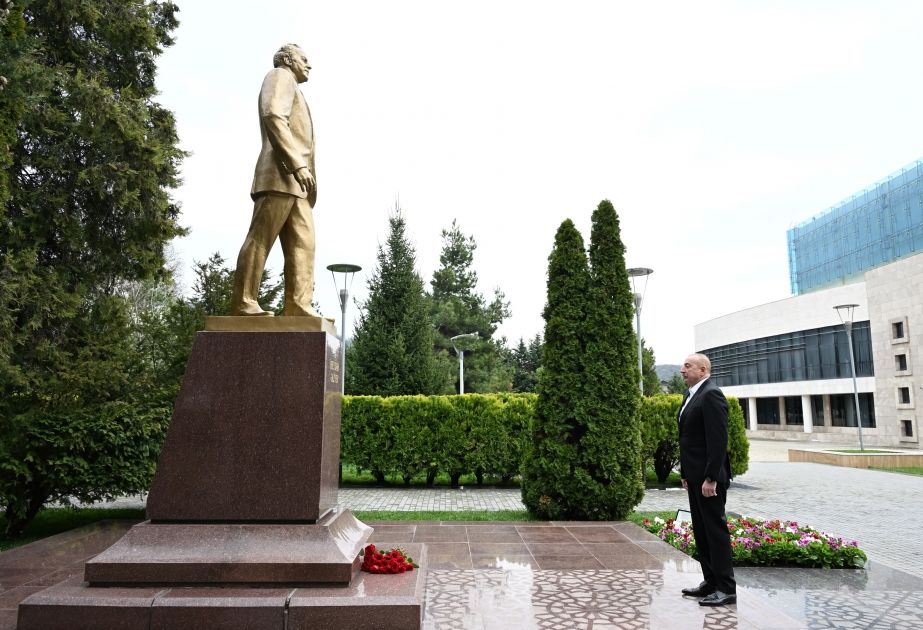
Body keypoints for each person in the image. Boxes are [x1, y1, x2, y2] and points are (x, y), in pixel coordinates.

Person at [231, 43, 319, 317]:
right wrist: (297, 164)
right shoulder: (280, 76)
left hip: (297, 184)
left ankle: (298, 305)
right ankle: (244, 301)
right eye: (304, 59)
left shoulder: (296, 88)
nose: (309, 65)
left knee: (304, 243)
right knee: (261, 238)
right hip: (281, 174)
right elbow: (273, 115)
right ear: (288, 60)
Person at [678, 353, 737, 606]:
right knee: (701, 531)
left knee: (715, 532)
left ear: (703, 370)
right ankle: (710, 582)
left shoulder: (711, 394)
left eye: (687, 366)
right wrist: (685, 474)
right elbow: (688, 440)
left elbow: (717, 439)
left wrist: (712, 477)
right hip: (694, 477)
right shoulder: (691, 395)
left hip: (709, 480)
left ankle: (726, 588)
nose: (682, 370)